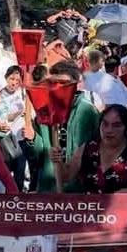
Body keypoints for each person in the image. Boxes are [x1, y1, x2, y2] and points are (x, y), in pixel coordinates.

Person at [24, 61, 101, 192]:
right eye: (53, 83)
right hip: (49, 186)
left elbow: (89, 152)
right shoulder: (45, 109)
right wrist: (32, 138)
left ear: (75, 84)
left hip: (77, 190)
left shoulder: (87, 111)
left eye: (63, 83)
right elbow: (38, 152)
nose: (58, 88)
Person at [52, 105, 127, 194]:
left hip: (126, 211)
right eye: (105, 124)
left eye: (116, 125)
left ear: (126, 128)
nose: (109, 130)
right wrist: (58, 161)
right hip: (92, 210)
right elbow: (65, 177)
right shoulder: (87, 149)